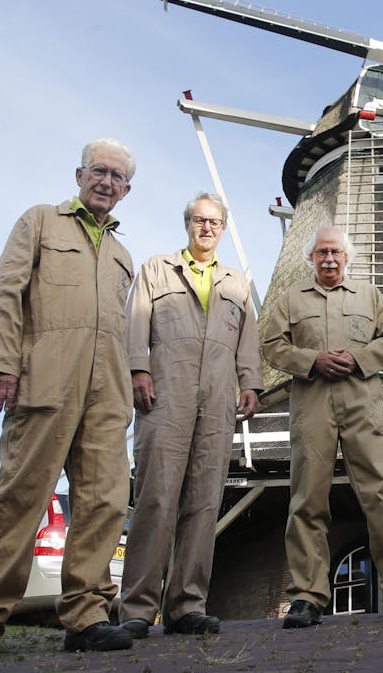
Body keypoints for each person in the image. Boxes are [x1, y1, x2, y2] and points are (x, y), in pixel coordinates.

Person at [0, 139, 138, 661]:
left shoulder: (123, 255)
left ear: (127, 190)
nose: (106, 181)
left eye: (117, 176)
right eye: (98, 171)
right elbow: (5, 294)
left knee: (104, 502)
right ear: (79, 175)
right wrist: (2, 363)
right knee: (21, 496)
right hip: (45, 380)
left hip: (107, 392)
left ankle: (86, 616)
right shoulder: (40, 221)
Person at [262, 225, 383, 628]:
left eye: (335, 252)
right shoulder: (290, 299)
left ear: (346, 257)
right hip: (312, 403)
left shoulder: (370, 296)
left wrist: (357, 359)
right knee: (307, 498)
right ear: (311, 258)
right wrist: (311, 360)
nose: (329, 259)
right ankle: (306, 596)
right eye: (321, 253)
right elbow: (271, 346)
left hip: (361, 402)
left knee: (382, 494)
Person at [117, 193, 263, 639]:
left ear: (223, 228)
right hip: (166, 393)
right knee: (156, 497)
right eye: (200, 220)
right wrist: (138, 369)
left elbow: (248, 340)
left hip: (217, 400)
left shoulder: (236, 283)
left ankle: (186, 605)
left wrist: (251, 383)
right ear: (187, 224)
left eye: (215, 222)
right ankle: (138, 608)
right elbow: (135, 323)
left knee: (203, 502)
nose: (207, 228)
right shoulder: (156, 269)